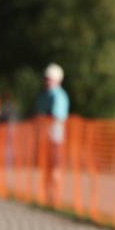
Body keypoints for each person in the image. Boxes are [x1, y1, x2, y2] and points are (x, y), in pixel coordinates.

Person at [35, 64, 70, 206]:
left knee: (55, 167)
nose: (47, 81)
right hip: (45, 138)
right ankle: (47, 195)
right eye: (46, 79)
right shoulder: (44, 95)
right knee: (47, 168)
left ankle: (55, 197)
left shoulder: (59, 96)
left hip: (55, 138)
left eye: (49, 79)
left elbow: (55, 116)